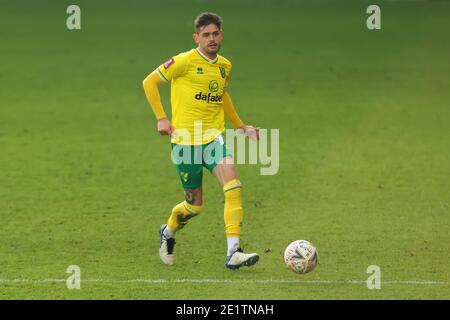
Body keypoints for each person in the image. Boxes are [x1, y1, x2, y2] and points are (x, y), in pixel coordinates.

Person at [142, 12, 259, 270]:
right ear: (197, 37)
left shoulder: (224, 66)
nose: (211, 39)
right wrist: (162, 118)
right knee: (194, 206)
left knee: (234, 187)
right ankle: (168, 232)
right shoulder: (183, 61)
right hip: (185, 143)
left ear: (222, 35)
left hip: (212, 138)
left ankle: (233, 252)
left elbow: (222, 96)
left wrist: (241, 126)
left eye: (215, 33)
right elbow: (149, 82)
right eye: (206, 35)